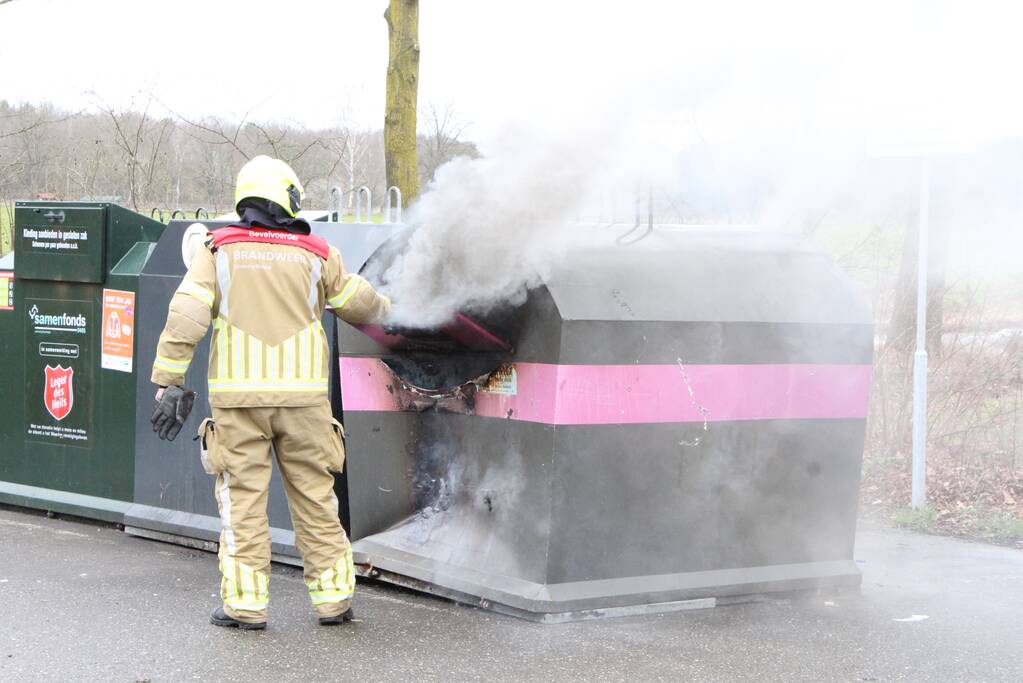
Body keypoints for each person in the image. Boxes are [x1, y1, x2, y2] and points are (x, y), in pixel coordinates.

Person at [149, 156, 391, 630]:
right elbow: (359, 304)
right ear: (289, 198)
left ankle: (245, 607)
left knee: (243, 503)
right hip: (304, 405)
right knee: (317, 500)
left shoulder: (218, 250)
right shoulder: (317, 253)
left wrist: (168, 381)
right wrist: (400, 311)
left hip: (240, 407)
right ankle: (335, 600)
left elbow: (186, 316)